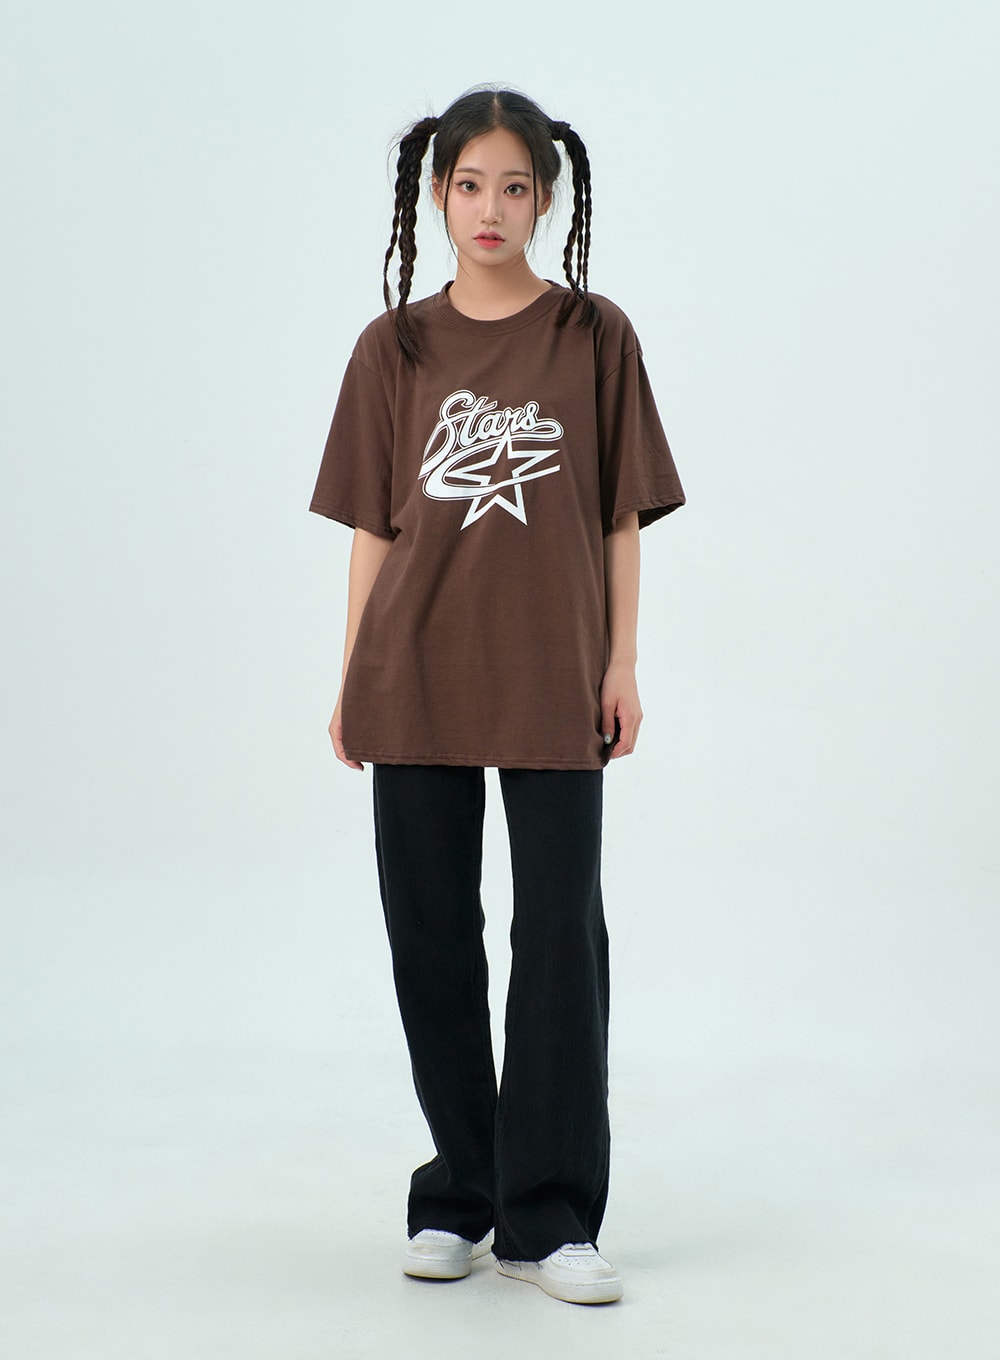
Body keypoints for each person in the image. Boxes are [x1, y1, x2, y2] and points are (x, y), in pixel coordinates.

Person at [309, 86, 685, 1306]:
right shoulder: (394, 348)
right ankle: (460, 1194)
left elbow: (620, 514)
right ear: (435, 196)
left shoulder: (593, 335)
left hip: (552, 671)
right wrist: (352, 673)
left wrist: (621, 661)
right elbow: (373, 528)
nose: (490, 209)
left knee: (559, 936)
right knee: (430, 934)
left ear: (546, 198)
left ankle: (548, 1216)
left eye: (514, 187)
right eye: (468, 185)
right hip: (412, 667)